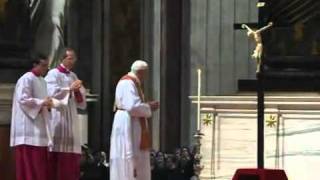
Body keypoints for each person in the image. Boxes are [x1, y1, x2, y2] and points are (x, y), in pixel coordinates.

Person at [110, 60, 160, 180]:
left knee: (136, 155)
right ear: (141, 72)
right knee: (129, 155)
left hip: (132, 121)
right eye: (145, 74)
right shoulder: (128, 83)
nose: (145, 77)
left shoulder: (133, 82)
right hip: (127, 123)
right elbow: (131, 106)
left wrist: (146, 106)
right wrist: (149, 107)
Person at [45, 48, 87, 180]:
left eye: (74, 58)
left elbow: (81, 98)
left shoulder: (73, 75)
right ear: (62, 58)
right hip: (58, 115)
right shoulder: (53, 74)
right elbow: (50, 92)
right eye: (70, 58)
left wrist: (78, 91)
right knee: (57, 150)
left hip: (71, 115)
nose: (73, 61)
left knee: (70, 151)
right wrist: (70, 89)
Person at [10, 54, 53, 180]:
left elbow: (43, 101)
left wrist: (47, 104)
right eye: (43, 65)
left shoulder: (42, 81)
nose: (46, 69)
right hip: (27, 130)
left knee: (39, 166)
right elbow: (23, 99)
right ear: (35, 65)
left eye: (47, 66)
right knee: (29, 167)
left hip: (39, 128)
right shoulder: (26, 79)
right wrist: (42, 103)